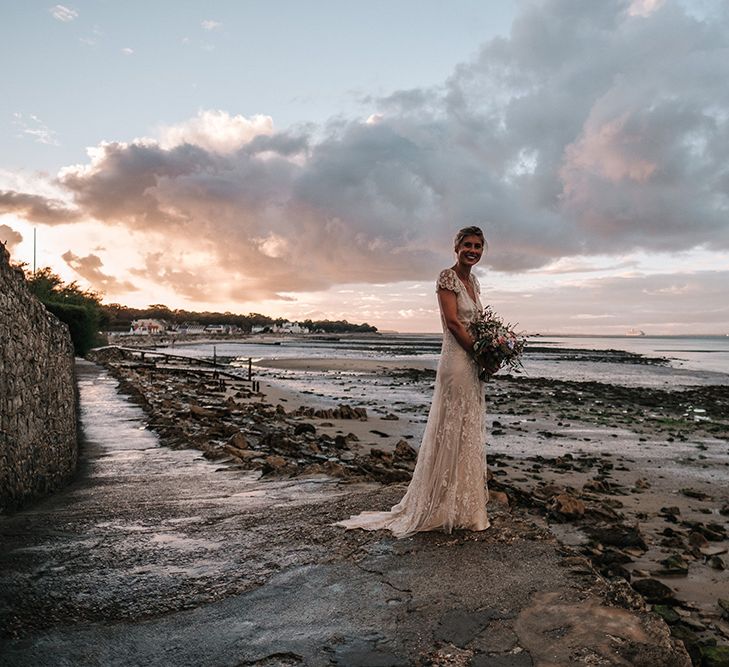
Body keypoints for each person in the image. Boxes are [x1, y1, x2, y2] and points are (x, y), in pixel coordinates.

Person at [334, 226, 490, 538]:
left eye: (478, 246)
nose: (472, 250)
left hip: (472, 362)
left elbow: (479, 324)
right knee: (451, 427)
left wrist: (490, 352)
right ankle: (436, 506)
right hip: (457, 360)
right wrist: (479, 353)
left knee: (467, 429)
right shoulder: (447, 277)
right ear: (456, 247)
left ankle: (463, 507)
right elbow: (453, 322)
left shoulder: (473, 281)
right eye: (467, 245)